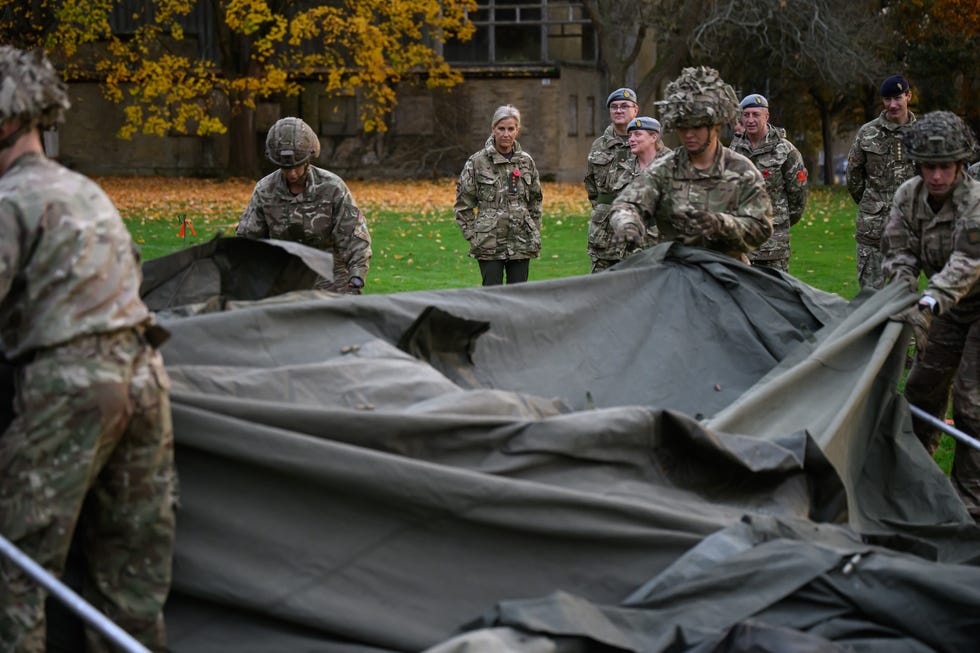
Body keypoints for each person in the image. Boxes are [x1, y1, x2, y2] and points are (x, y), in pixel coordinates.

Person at [0, 46, 176, 651]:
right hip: (146, 376)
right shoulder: (84, 191)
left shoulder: (9, 202)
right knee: (132, 571)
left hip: (72, 386)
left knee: (14, 575)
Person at [881, 110, 980, 521]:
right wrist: (905, 297)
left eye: (945, 166)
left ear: (960, 164)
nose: (937, 176)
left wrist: (929, 302)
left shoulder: (975, 201)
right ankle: (914, 479)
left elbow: (967, 262)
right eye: (929, 167)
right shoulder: (907, 196)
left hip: (968, 301)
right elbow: (898, 252)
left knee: (972, 401)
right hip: (945, 309)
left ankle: (971, 500)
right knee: (922, 390)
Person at [608, 66, 773, 262]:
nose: (688, 135)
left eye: (696, 127)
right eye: (682, 127)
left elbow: (761, 227)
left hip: (726, 272)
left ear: (716, 126)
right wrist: (627, 224)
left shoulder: (741, 171)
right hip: (676, 273)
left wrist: (721, 224)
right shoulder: (665, 169)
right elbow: (627, 203)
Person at [237, 117, 372, 294]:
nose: (292, 174)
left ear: (308, 159)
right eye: (285, 168)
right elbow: (248, 239)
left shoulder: (332, 188)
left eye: (297, 166)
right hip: (283, 274)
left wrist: (357, 274)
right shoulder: (265, 190)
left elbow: (353, 236)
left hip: (329, 274)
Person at [454, 104, 543, 286]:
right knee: (492, 296)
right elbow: (463, 204)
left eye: (511, 129)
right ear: (493, 129)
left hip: (521, 240)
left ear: (517, 130)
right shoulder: (477, 162)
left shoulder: (526, 162)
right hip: (489, 242)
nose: (506, 134)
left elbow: (535, 199)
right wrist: (473, 235)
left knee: (518, 295)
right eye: (501, 128)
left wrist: (532, 228)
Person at [846, 74, 917, 289]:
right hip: (872, 231)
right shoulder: (868, 133)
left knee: (903, 296)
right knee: (869, 295)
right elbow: (853, 175)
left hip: (909, 227)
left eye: (897, 98)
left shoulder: (922, 134)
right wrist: (872, 204)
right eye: (887, 99)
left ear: (908, 96)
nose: (892, 105)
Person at [730, 94, 809, 272]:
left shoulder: (785, 150)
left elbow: (798, 195)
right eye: (746, 115)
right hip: (742, 242)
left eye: (755, 114)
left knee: (776, 295)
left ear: (766, 116)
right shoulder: (733, 151)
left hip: (773, 245)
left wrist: (780, 222)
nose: (750, 120)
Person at [585, 88, 640, 272]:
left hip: (638, 231)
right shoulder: (599, 145)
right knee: (601, 292)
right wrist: (604, 209)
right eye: (614, 107)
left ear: (635, 110)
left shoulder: (647, 142)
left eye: (625, 106)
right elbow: (591, 185)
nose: (619, 111)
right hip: (604, 233)